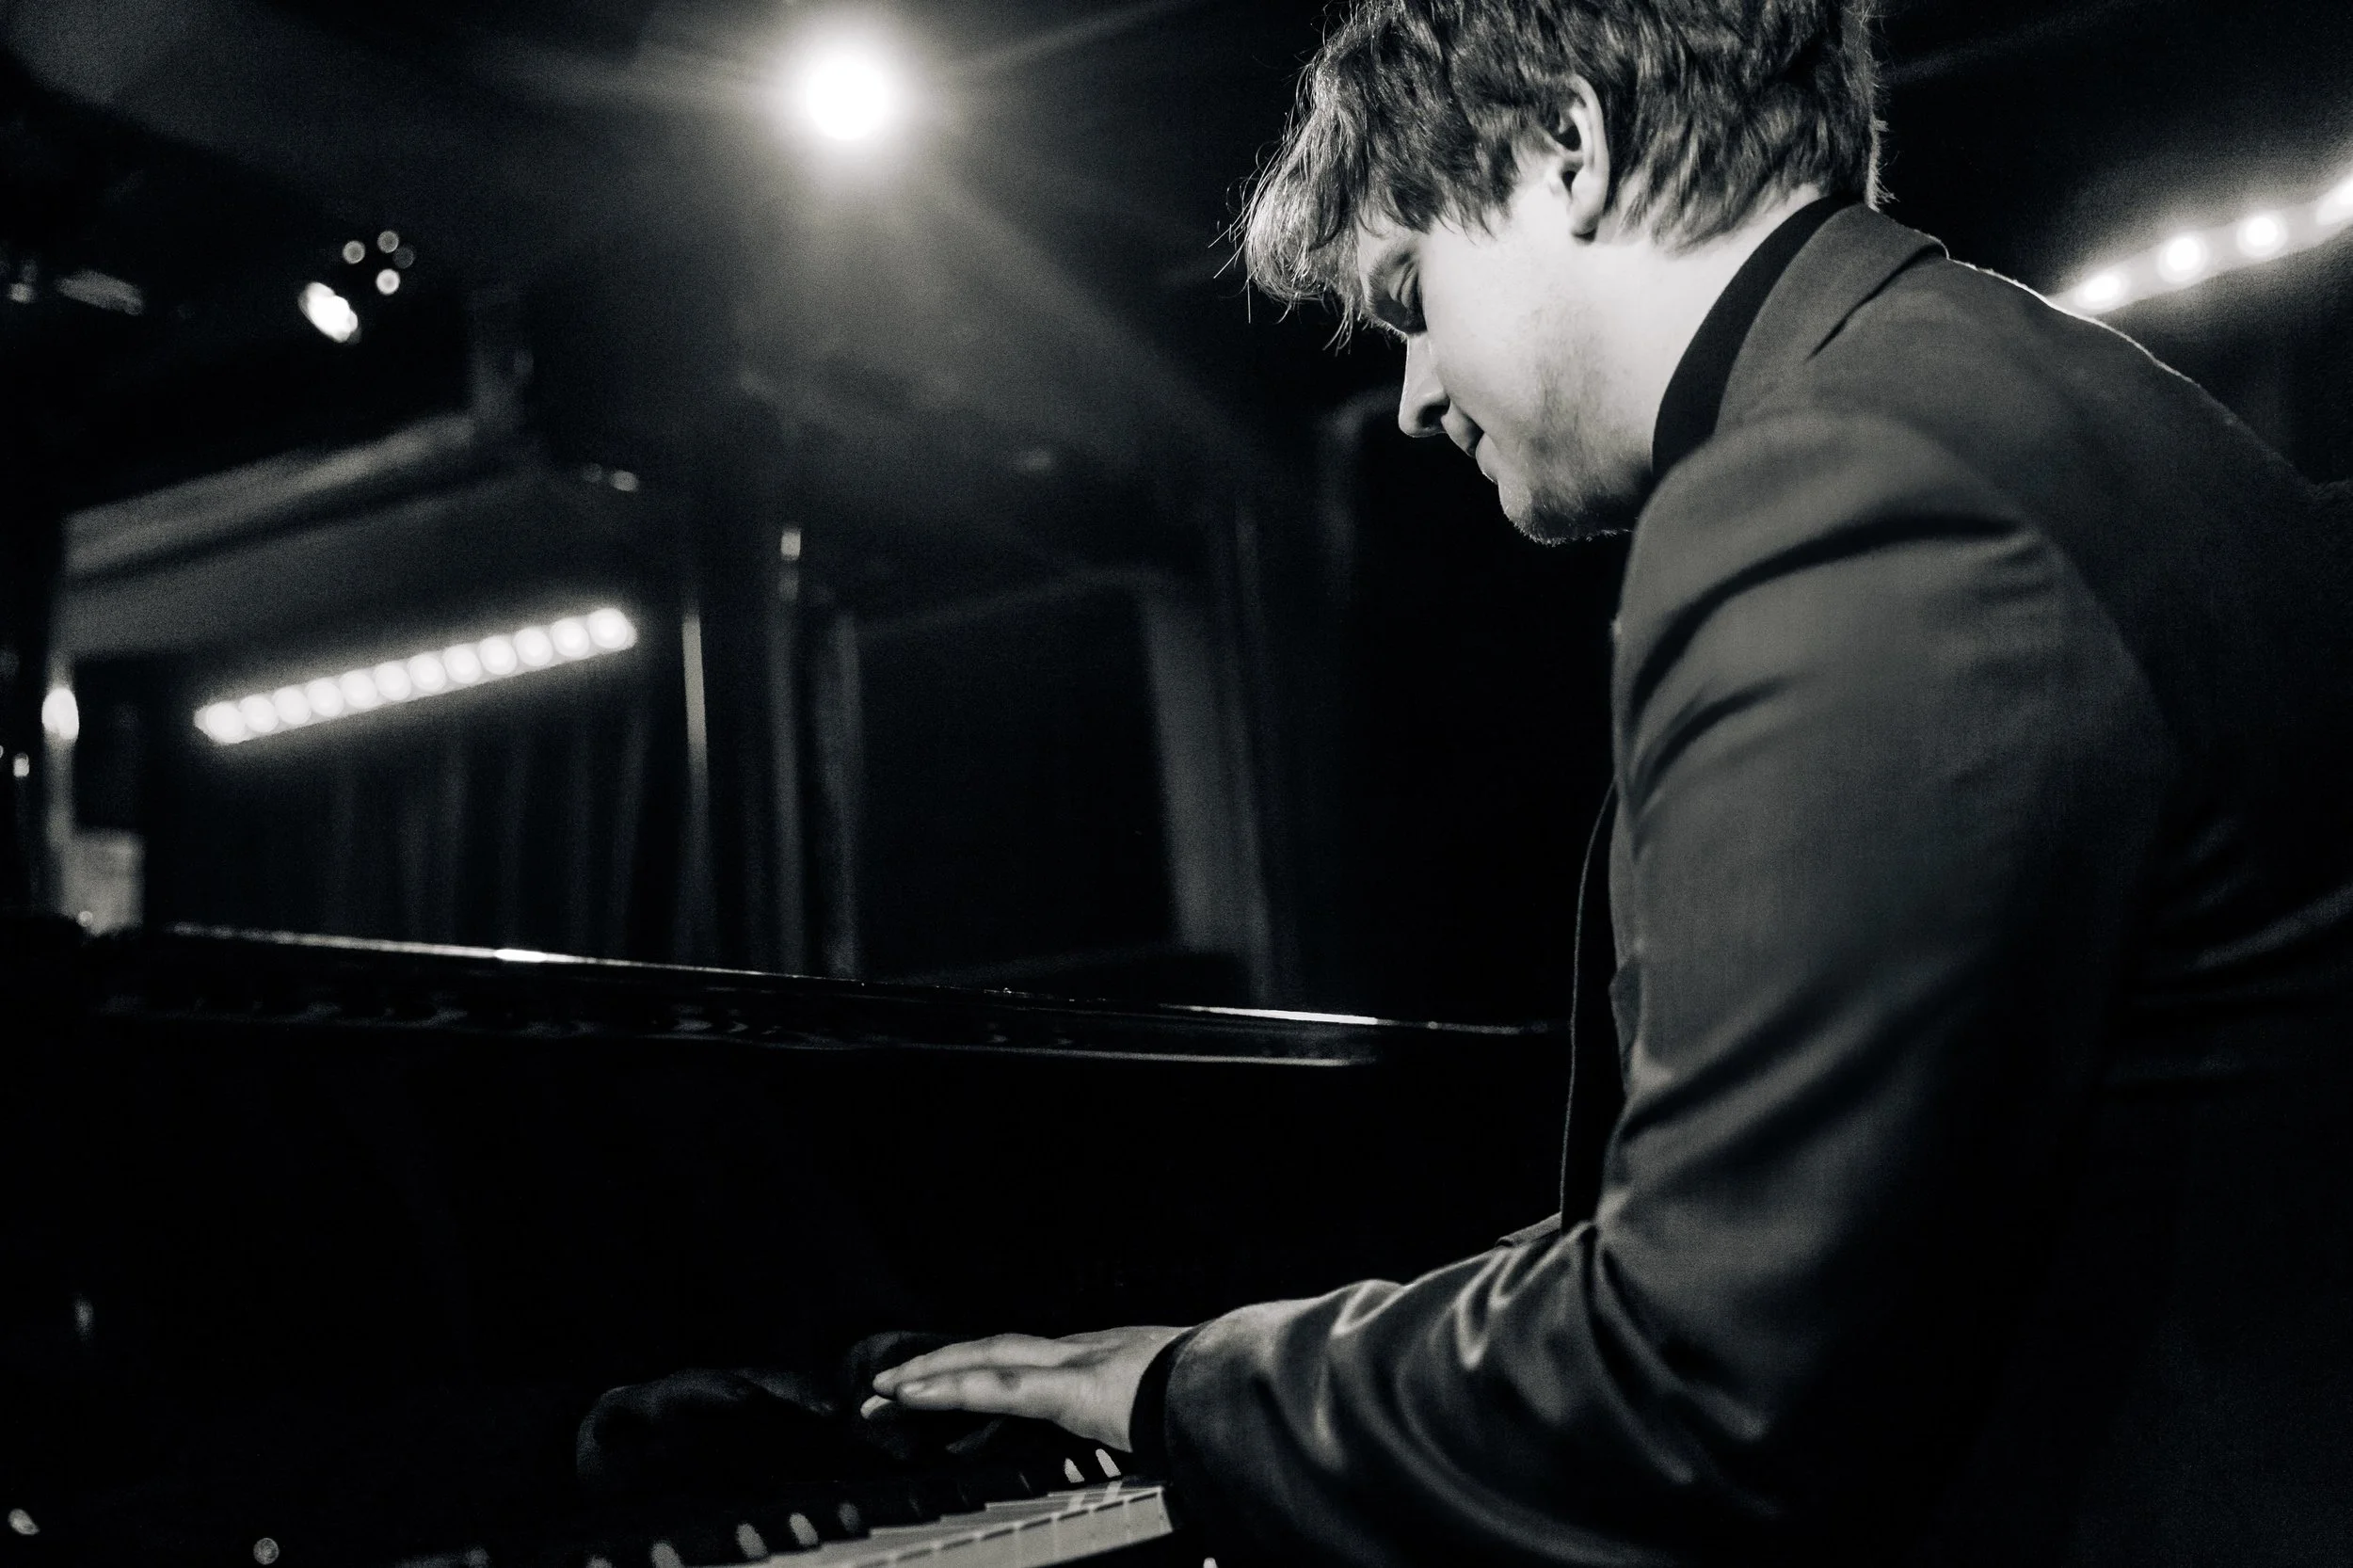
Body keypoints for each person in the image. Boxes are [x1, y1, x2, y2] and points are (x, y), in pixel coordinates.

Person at [608, 1, 2353, 1560]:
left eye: (1412, 296)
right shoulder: (2063, 403)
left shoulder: (1842, 486)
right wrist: (1293, 1346)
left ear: (1562, 149)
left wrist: (1182, 1390)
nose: (1419, 394)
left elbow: (1689, 1387)